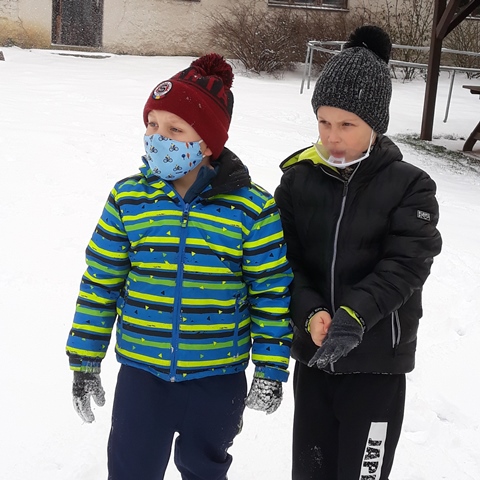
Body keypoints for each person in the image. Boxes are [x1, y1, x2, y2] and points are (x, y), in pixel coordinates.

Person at [66, 53, 293, 480]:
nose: (158, 138)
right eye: (152, 124)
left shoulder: (252, 209)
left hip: (217, 377)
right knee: (130, 470)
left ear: (207, 142)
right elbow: (100, 282)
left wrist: (270, 368)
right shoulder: (129, 199)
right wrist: (85, 358)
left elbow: (271, 293)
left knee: (204, 470)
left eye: (175, 129)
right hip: (142, 374)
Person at [274, 26, 442, 480]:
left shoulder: (411, 186)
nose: (332, 137)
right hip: (315, 357)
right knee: (310, 471)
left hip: (376, 367)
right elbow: (283, 261)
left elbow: (407, 263)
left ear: (375, 125)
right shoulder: (297, 180)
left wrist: (355, 314)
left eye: (347, 124)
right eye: (324, 122)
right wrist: (310, 312)